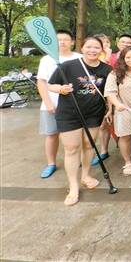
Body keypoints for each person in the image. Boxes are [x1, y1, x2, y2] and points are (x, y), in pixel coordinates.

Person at [48, 36, 112, 206]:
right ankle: (73, 186)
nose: (92, 50)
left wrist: (110, 108)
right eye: (88, 47)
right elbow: (50, 84)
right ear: (82, 48)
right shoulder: (68, 66)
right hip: (69, 113)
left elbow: (109, 91)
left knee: (89, 145)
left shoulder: (107, 69)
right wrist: (61, 89)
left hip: (94, 113)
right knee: (71, 149)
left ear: (102, 50)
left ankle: (85, 175)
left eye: (96, 47)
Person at [36, 30, 81, 178]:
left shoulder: (79, 57)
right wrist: (48, 103)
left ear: (72, 42)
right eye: (58, 40)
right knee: (52, 135)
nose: (62, 42)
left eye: (65, 39)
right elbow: (41, 82)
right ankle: (51, 164)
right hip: (52, 104)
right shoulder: (46, 59)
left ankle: (78, 159)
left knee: (77, 134)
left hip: (75, 104)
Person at [105, 46, 131, 176]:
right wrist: (117, 104)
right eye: (128, 57)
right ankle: (127, 162)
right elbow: (110, 93)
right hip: (123, 110)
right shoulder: (114, 74)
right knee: (124, 137)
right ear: (123, 58)